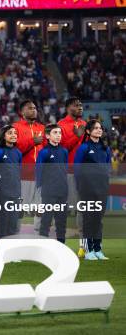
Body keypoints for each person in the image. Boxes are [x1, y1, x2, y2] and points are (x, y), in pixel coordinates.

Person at [74, 120, 111, 260]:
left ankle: (98, 249)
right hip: (87, 189)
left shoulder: (105, 148)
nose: (99, 130)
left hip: (101, 189)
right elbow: (77, 168)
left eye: (100, 128)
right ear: (88, 132)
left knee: (98, 220)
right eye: (95, 128)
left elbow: (108, 169)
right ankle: (89, 251)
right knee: (88, 219)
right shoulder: (83, 148)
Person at [57, 97, 86, 257]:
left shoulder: (85, 123)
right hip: (66, 173)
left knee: (84, 210)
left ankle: (84, 246)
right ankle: (60, 248)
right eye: (76, 105)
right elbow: (61, 150)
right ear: (68, 108)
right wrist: (76, 136)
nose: (80, 107)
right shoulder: (61, 125)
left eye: (81, 105)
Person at [13, 100, 45, 234]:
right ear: (22, 112)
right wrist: (32, 142)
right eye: (30, 108)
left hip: (41, 176)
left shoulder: (42, 128)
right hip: (23, 176)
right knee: (19, 210)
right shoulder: (15, 128)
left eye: (35, 108)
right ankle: (14, 237)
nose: (34, 110)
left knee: (41, 210)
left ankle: (39, 238)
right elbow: (13, 150)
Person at [36, 124, 69, 244]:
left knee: (61, 222)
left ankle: (61, 247)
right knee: (46, 221)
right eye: (55, 133)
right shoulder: (43, 152)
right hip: (48, 192)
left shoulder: (64, 151)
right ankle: (43, 247)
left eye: (60, 133)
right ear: (47, 136)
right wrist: (39, 192)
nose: (58, 135)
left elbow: (64, 171)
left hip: (62, 192)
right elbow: (39, 173)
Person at [0, 125, 22, 241]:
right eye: (10, 133)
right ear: (3, 136)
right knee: (3, 223)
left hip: (15, 193)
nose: (13, 135)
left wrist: (19, 192)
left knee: (13, 224)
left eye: (15, 133)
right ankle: (1, 251)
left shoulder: (18, 153)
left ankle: (11, 252)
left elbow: (18, 173)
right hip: (2, 194)